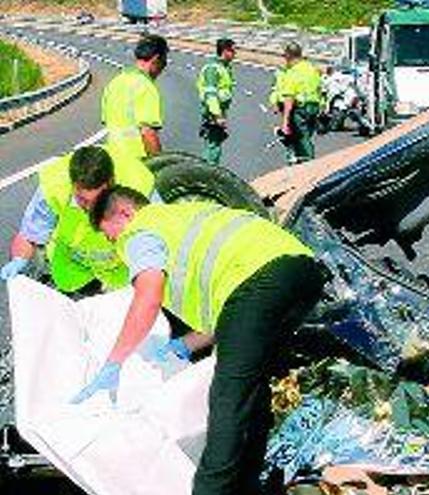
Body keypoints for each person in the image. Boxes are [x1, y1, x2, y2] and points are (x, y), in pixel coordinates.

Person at [73, 186, 325, 495]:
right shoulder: (186, 215)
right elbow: (233, 320)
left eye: (110, 235)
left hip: (257, 284)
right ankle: (248, 485)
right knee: (251, 394)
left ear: (126, 213)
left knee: (227, 398)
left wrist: (114, 362)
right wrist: (184, 345)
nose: (115, 245)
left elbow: (148, 296)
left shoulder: (140, 231)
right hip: (302, 272)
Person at [1, 146, 155, 295]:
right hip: (73, 272)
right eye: (82, 199)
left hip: (121, 275)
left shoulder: (138, 185)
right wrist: (19, 260)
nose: (89, 208)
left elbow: (156, 238)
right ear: (73, 184)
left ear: (111, 183)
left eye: (97, 200)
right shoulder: (54, 187)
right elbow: (29, 235)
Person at [102, 34, 168, 160]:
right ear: (156, 58)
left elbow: (107, 122)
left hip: (113, 158)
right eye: (164, 61)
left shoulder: (115, 82)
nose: (164, 67)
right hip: (137, 160)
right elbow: (148, 133)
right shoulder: (146, 86)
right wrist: (159, 163)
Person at [269, 42, 322, 164]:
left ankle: (306, 165)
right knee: (306, 137)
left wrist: (285, 122)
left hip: (300, 109)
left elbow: (289, 99)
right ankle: (302, 161)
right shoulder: (311, 69)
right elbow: (320, 89)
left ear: (288, 55)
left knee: (300, 139)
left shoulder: (292, 73)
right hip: (313, 107)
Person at [197, 38, 237, 166]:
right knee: (213, 145)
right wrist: (217, 115)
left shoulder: (225, 67)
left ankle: (210, 170)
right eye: (232, 50)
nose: (235, 54)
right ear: (225, 51)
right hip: (212, 112)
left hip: (220, 110)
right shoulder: (212, 69)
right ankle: (208, 173)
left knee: (216, 142)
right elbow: (210, 94)